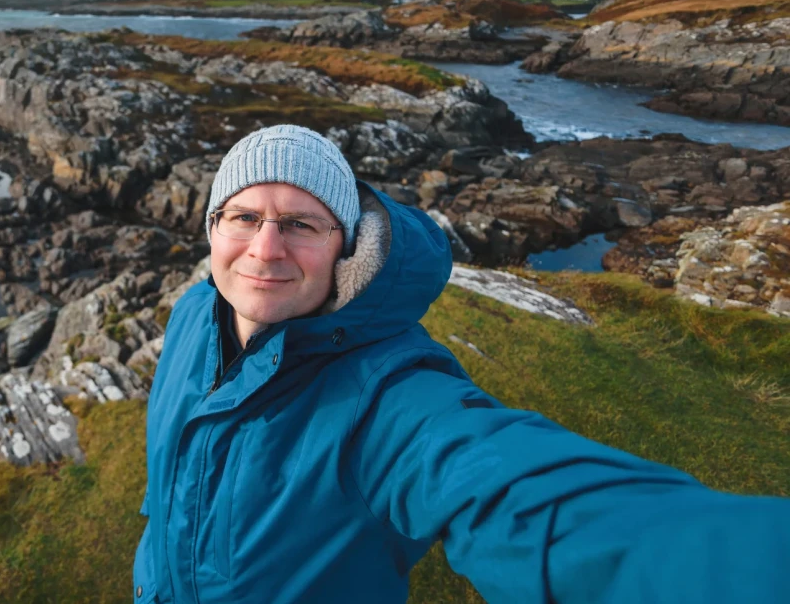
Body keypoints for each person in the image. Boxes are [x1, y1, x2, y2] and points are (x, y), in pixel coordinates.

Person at [134, 125, 790, 604]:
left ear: (347, 246)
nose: (266, 247)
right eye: (244, 216)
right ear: (213, 227)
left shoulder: (386, 396)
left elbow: (509, 489)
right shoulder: (194, 314)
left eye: (302, 224)